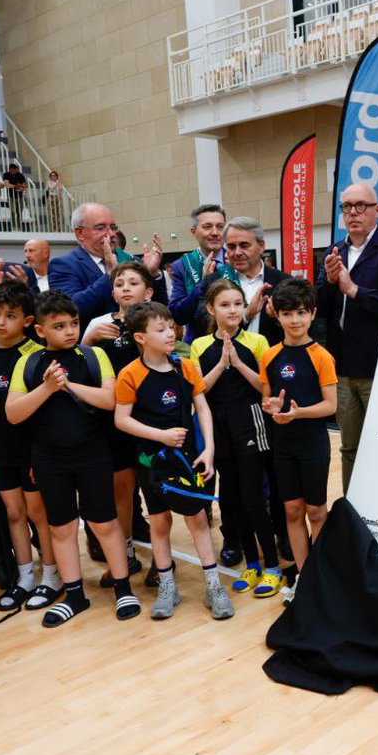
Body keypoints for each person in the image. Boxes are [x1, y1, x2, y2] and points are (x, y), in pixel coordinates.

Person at [5, 290, 139, 627]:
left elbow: (111, 399)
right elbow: (12, 414)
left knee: (104, 523)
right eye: (60, 325)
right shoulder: (30, 362)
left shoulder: (93, 356)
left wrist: (69, 387)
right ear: (40, 330)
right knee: (61, 528)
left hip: (93, 453)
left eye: (74, 323)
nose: (70, 330)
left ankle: (123, 587)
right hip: (49, 457)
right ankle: (74, 594)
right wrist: (48, 388)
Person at [114, 301, 232, 620]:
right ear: (140, 337)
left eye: (171, 327)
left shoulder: (185, 366)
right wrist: (160, 436)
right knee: (160, 521)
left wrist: (208, 449)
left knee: (197, 520)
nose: (170, 333)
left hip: (189, 458)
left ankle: (213, 585)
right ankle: (168, 586)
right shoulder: (130, 374)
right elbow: (121, 419)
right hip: (152, 462)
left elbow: (202, 408)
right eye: (161, 329)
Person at [0, 281, 62, 611]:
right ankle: (25, 576)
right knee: (13, 513)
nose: (0, 322)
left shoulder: (37, 354)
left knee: (38, 513)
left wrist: (42, 453)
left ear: (26, 320)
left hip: (31, 449)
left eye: (9, 315)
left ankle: (51, 574)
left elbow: (44, 410)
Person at [192, 279, 282, 598]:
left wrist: (239, 363)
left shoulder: (257, 341)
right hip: (218, 425)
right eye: (225, 304)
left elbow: (264, 388)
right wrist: (220, 364)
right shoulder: (200, 346)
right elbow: (197, 390)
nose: (232, 310)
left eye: (237, 304)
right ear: (211, 309)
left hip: (250, 422)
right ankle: (252, 563)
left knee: (254, 496)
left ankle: (272, 567)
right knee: (233, 498)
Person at [316, 182, 378, 492]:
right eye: (346, 206)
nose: (353, 212)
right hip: (341, 369)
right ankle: (353, 509)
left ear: (377, 210)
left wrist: (354, 290)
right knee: (349, 448)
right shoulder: (334, 251)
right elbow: (321, 309)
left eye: (360, 206)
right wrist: (327, 282)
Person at [259, 279, 337, 604]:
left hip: (313, 443)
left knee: (316, 511)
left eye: (301, 313)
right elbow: (267, 398)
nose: (295, 320)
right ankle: (304, 579)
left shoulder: (321, 356)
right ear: (277, 315)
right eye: (288, 313)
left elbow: (330, 405)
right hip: (283, 445)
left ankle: (320, 578)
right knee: (292, 510)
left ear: (312, 314)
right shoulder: (270, 355)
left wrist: (298, 413)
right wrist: (272, 408)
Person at [81, 261, 156, 584]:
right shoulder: (100, 324)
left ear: (148, 291)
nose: (125, 287)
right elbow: (79, 363)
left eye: (133, 282)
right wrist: (88, 336)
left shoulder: (156, 321)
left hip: (152, 417)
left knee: (156, 490)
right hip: (113, 420)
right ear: (112, 292)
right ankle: (125, 551)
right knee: (121, 487)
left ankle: (162, 562)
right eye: (120, 283)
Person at [48, 202, 167, 328]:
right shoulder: (64, 265)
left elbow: (160, 309)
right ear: (80, 233)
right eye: (100, 228)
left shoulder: (132, 261)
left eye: (113, 227)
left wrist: (152, 274)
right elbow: (70, 309)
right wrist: (109, 275)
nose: (111, 234)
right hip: (95, 343)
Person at [170, 203, 232, 341]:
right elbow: (178, 316)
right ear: (194, 231)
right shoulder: (182, 265)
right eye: (207, 227)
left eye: (220, 227)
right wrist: (201, 285)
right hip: (198, 345)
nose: (215, 232)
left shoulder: (235, 260)